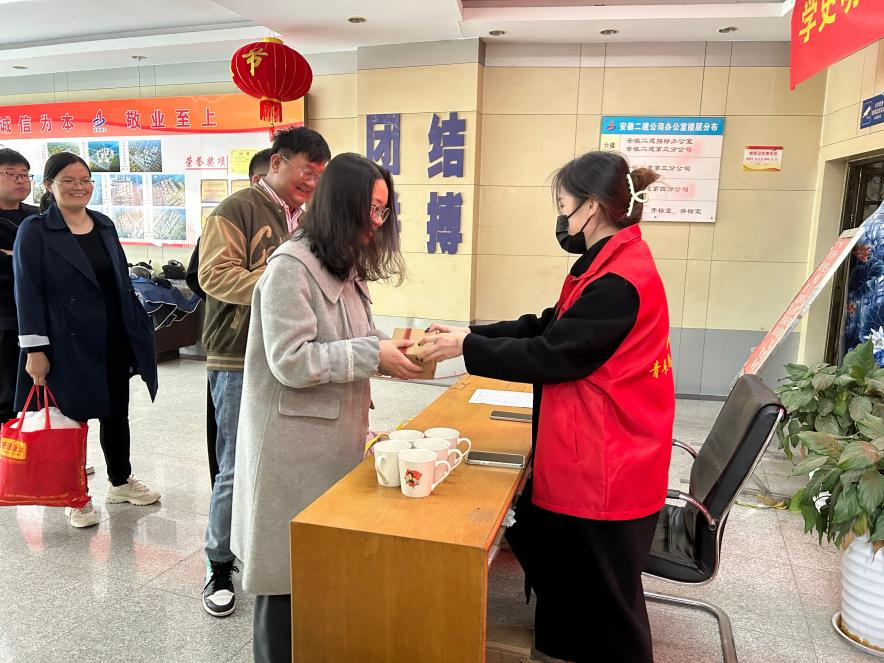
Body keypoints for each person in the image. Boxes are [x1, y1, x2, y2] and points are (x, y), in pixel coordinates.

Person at [420, 151, 675, 663]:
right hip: (602, 447)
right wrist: (469, 334)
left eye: (563, 206)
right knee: (550, 554)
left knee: (607, 611)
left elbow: (553, 355)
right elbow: (547, 325)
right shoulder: (608, 265)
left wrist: (465, 349)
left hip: (608, 464)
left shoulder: (619, 282)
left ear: (592, 207)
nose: (561, 219)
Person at [230, 152, 421, 662]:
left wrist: (394, 351)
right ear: (341, 204)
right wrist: (372, 354)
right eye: (371, 208)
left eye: (383, 210)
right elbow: (290, 361)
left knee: (316, 572)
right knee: (284, 578)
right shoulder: (290, 268)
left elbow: (358, 337)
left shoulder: (342, 264)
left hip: (330, 444)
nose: (377, 221)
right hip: (291, 452)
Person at [198, 128, 330, 618]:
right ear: (277, 162)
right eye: (306, 170)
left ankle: (274, 555)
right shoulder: (237, 209)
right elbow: (214, 275)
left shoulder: (309, 219)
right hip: (238, 355)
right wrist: (283, 286)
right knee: (236, 465)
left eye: (319, 175)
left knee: (283, 463)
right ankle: (218, 563)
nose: (312, 182)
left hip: (294, 351)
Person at [13, 152, 160, 529]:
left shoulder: (103, 224)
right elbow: (27, 292)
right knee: (71, 419)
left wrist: (137, 331)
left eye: (85, 180)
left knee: (116, 412)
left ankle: (120, 481)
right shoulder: (35, 230)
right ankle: (74, 495)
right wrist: (35, 349)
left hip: (113, 336)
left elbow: (120, 282)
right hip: (66, 342)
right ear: (50, 185)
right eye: (68, 180)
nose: (79, 187)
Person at [186, 148, 271, 488]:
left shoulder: (294, 220)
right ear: (261, 179)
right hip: (232, 345)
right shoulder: (233, 215)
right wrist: (232, 307)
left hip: (268, 344)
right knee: (231, 458)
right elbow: (199, 277)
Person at [0, 149, 37, 425]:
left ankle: (34, 445)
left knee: (36, 395)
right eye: (11, 174)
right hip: (5, 318)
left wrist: (12, 255)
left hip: (38, 317)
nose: (21, 180)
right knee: (7, 395)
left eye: (25, 174)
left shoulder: (38, 217)